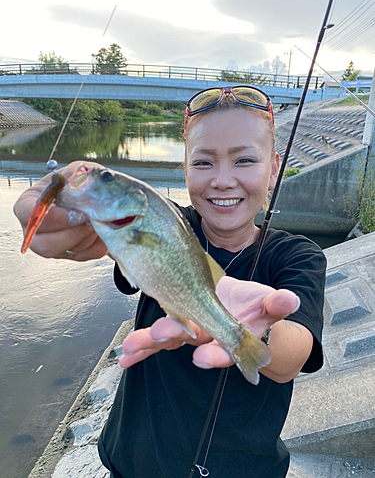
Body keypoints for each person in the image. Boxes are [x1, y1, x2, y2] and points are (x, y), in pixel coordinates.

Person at [14, 86, 326, 478]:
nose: (223, 180)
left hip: (244, 469)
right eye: (203, 163)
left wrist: (246, 331)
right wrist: (69, 190)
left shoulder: (298, 256)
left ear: (274, 168)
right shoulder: (161, 221)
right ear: (185, 168)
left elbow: (290, 361)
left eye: (244, 160)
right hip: (134, 462)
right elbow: (112, 223)